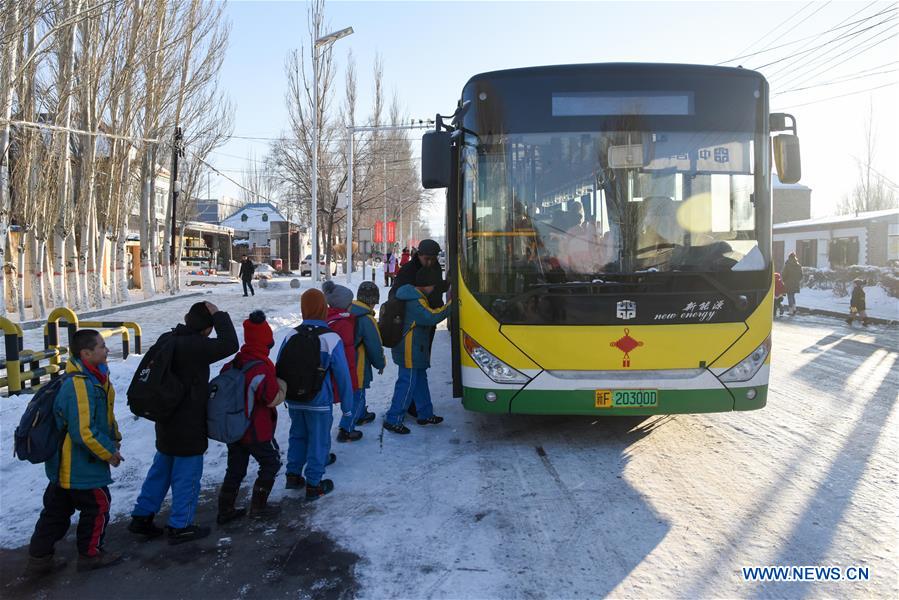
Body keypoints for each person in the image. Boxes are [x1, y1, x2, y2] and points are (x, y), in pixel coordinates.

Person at [129, 301, 238, 545]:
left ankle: (142, 516)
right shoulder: (196, 346)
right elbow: (231, 343)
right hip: (188, 422)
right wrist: (219, 314)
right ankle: (181, 525)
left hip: (166, 418)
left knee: (161, 469)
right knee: (186, 476)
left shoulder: (169, 338)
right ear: (207, 328)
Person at [25, 330, 123, 577]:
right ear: (86, 353)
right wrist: (109, 452)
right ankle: (90, 555)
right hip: (78, 465)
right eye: (102, 347)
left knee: (56, 511)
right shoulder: (79, 384)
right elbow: (83, 432)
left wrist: (116, 437)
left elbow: (105, 416)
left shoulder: (95, 377)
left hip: (67, 466)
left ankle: (40, 558)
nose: (107, 350)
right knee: (98, 505)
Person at [278, 289, 353, 500]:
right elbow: (343, 376)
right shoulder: (331, 338)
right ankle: (314, 484)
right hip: (318, 400)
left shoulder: (291, 334)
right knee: (319, 440)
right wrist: (348, 408)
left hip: (294, 399)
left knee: (298, 435)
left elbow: (280, 366)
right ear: (323, 308)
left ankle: (292, 475)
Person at [216, 311, 285, 525]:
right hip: (257, 430)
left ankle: (225, 509)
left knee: (235, 469)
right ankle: (258, 507)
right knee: (271, 462)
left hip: (234, 429)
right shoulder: (261, 367)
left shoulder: (232, 364)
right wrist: (282, 386)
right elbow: (270, 396)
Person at [383, 267, 452, 434]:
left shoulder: (412, 295)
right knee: (407, 383)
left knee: (420, 380)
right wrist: (452, 304)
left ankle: (425, 414)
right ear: (426, 285)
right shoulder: (415, 301)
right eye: (432, 286)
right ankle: (393, 419)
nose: (433, 289)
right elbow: (432, 316)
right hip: (409, 349)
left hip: (414, 348)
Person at [322, 281, 362, 443]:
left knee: (327, 406)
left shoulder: (328, 319)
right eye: (350, 302)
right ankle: (346, 429)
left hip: (329, 373)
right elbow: (345, 352)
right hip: (344, 371)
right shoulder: (343, 324)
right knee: (353, 397)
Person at [342, 281, 385, 430]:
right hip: (358, 361)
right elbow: (375, 345)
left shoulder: (347, 310)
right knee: (358, 392)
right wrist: (381, 363)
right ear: (374, 301)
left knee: (354, 391)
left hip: (343, 359)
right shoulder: (366, 319)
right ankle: (346, 429)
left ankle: (360, 415)